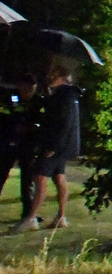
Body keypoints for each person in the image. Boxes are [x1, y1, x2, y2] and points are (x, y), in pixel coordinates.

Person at [11, 66, 81, 231]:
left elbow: (63, 123)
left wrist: (52, 147)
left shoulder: (64, 97)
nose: (50, 77)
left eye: (54, 75)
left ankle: (31, 217)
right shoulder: (65, 95)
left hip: (55, 145)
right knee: (59, 178)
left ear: (63, 77)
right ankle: (61, 216)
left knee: (40, 177)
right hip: (62, 145)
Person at [0, 74, 40, 221]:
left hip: (28, 144)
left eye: (31, 90)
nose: (28, 92)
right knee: (1, 174)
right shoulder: (11, 97)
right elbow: (8, 116)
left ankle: (28, 212)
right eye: (26, 89)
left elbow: (39, 120)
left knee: (28, 180)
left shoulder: (38, 101)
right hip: (9, 142)